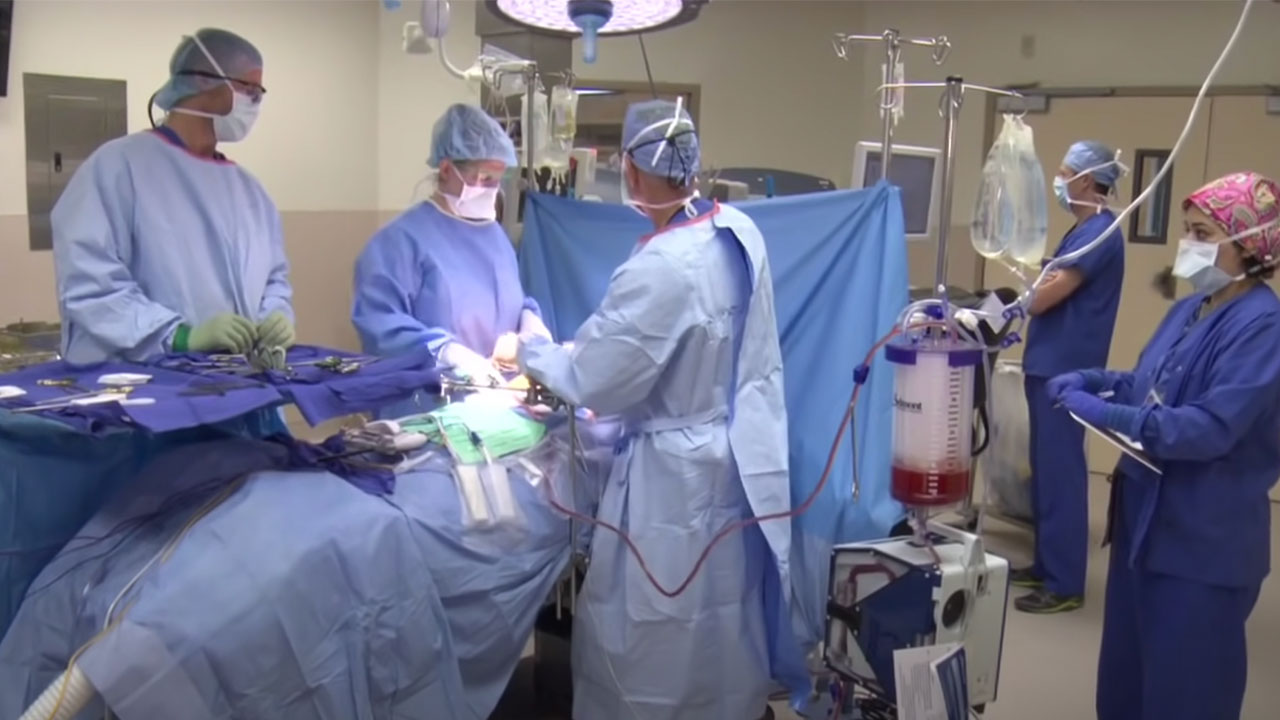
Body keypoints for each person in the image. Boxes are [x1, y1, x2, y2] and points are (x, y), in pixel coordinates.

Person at [517, 100, 805, 720]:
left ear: (628, 168)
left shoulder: (661, 266)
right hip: (728, 455)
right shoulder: (736, 230)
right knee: (720, 619)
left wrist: (532, 349)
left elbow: (595, 378)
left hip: (669, 478)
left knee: (651, 627)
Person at [1052, 172, 1280, 720]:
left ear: (1248, 245)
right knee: (1126, 689)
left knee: (1185, 696)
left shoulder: (1263, 327)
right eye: (1186, 230)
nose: (1188, 244)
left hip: (1201, 543)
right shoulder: (1192, 306)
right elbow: (1149, 383)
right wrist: (1099, 380)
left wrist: (1108, 415)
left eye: (1202, 232)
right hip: (1143, 531)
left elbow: (1208, 428)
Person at [53, 28, 294, 366]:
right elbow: (91, 284)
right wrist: (178, 335)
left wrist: (276, 316)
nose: (255, 102)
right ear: (201, 80)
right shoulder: (117, 169)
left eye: (259, 92)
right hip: (147, 393)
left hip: (239, 387)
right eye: (247, 89)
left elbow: (274, 279)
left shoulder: (250, 191)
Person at [351, 104, 549, 415]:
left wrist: (529, 322)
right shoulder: (398, 242)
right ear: (446, 169)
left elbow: (513, 300)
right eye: (483, 177)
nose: (492, 190)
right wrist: (449, 353)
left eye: (498, 179)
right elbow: (380, 326)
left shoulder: (494, 236)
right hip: (425, 411)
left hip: (496, 406)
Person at [1014, 141, 1126, 614]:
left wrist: (1022, 295)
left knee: (1062, 473)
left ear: (1085, 180)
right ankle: (1046, 563)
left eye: (1064, 172)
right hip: (1047, 363)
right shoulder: (1079, 230)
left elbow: (1043, 298)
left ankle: (1065, 583)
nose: (1058, 180)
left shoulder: (1101, 233)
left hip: (1066, 371)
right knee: (1045, 470)